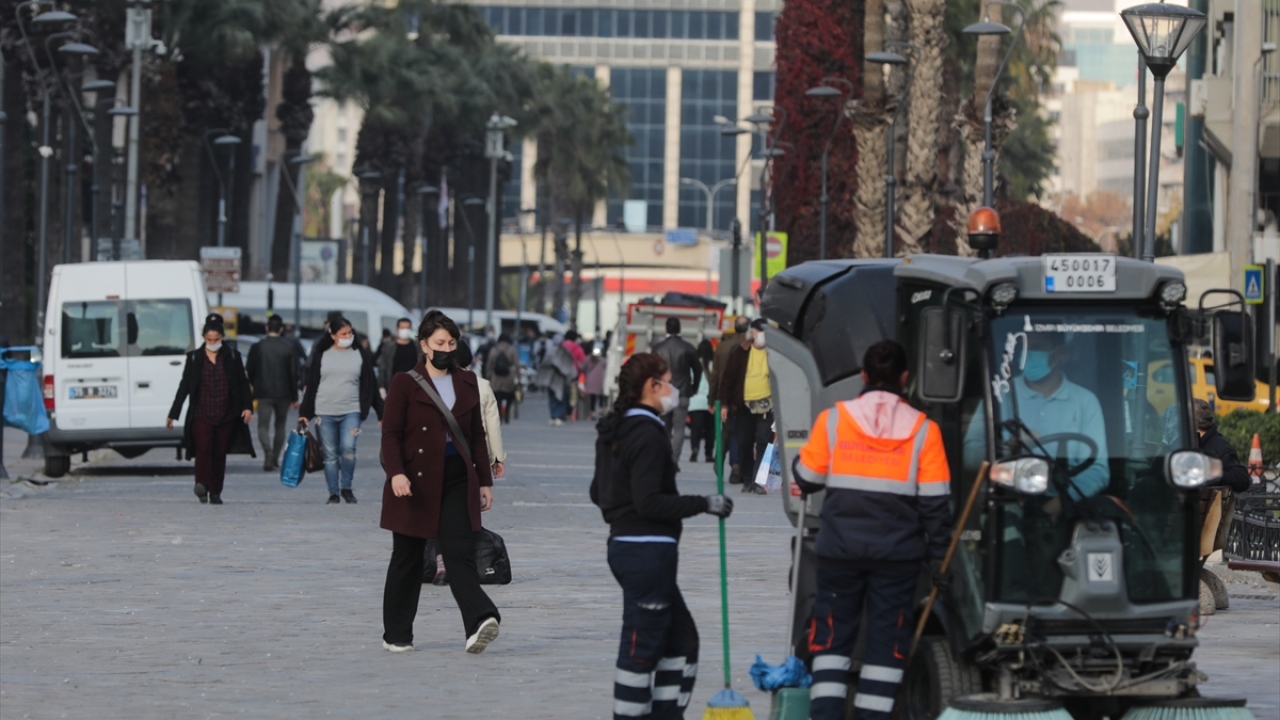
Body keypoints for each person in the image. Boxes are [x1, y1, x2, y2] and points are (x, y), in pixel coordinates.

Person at [791, 341, 953, 720]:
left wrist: (803, 462)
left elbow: (807, 478)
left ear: (864, 376)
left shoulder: (835, 419)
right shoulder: (924, 431)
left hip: (839, 553)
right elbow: (935, 505)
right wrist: (940, 556)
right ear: (905, 378)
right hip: (896, 558)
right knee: (886, 646)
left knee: (831, 639)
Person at [589, 353, 735, 719]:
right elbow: (650, 502)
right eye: (669, 382)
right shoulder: (648, 433)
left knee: (682, 642)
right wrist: (705, 502)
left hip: (633, 549)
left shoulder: (615, 428)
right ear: (652, 387)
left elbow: (598, 491)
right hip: (645, 552)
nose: (673, 389)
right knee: (641, 647)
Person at [380, 310, 501, 654]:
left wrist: (484, 481)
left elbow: (476, 436)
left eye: (451, 342)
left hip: (457, 478)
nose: (446, 348)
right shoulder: (405, 382)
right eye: (439, 343)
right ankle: (397, 634)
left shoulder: (467, 381)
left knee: (459, 553)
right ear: (424, 345)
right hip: (414, 480)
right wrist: (397, 473)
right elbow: (390, 434)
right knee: (408, 556)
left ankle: (480, 620)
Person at [166, 314, 256, 504]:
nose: (212, 343)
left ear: (222, 338)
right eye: (209, 340)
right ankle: (201, 484)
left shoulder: (232, 356)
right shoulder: (194, 357)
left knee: (219, 452)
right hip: (202, 411)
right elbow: (184, 386)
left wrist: (247, 408)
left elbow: (242, 383)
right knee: (203, 448)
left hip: (227, 412)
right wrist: (174, 414)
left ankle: (215, 491)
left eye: (216, 340)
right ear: (204, 338)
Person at [299, 317, 384, 505]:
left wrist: (381, 413)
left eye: (350, 333)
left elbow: (371, 384)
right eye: (343, 334)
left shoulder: (360, 354)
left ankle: (347, 488)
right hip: (325, 410)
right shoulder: (322, 354)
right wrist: (305, 413)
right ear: (333, 335)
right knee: (330, 454)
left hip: (351, 410)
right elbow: (312, 385)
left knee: (348, 449)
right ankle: (333, 493)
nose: (348, 337)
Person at [717, 318, 771, 495]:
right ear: (753, 333)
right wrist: (724, 404)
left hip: (767, 407)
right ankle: (747, 479)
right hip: (743, 406)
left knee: (764, 442)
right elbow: (728, 379)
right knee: (744, 443)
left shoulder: (774, 353)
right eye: (760, 331)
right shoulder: (740, 352)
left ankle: (758, 481)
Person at [246, 315, 298, 471]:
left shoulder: (258, 347)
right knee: (280, 426)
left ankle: (267, 452)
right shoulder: (287, 348)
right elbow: (293, 373)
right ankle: (274, 458)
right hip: (283, 392)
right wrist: (294, 396)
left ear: (267, 328)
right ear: (281, 329)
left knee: (263, 425)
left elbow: (250, 369)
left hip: (263, 392)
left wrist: (254, 386)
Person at [651, 317, 701, 467]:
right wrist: (694, 387)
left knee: (664, 426)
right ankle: (674, 459)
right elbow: (698, 370)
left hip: (663, 393)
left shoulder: (658, 348)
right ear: (680, 329)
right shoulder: (688, 347)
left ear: (666, 329)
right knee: (679, 428)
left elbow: (651, 370)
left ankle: (664, 458)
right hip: (683, 391)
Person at [709, 316, 750, 480]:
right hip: (745, 396)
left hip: (725, 396)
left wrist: (711, 399)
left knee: (726, 432)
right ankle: (736, 465)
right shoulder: (750, 346)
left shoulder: (722, 347)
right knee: (739, 434)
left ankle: (719, 460)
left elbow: (715, 375)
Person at [537, 333, 577, 426]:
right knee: (560, 398)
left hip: (551, 379)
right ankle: (557, 416)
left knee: (553, 398)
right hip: (561, 380)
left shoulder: (550, 351)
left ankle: (554, 416)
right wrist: (572, 376)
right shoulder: (566, 352)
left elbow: (543, 365)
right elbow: (570, 366)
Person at [378, 317, 424, 396]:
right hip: (394, 386)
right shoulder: (389, 347)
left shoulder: (417, 347)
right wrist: (381, 386)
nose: (405, 330)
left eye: (407, 328)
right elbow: (383, 367)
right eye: (403, 328)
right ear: (397, 329)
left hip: (413, 386)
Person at [686, 340, 715, 464]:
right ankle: (708, 454)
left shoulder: (693, 365)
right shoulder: (713, 365)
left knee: (695, 429)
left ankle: (694, 448)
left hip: (695, 402)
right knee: (710, 430)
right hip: (710, 402)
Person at [484, 333, 521, 424]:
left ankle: (499, 412)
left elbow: (489, 364)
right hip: (508, 377)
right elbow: (516, 364)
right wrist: (518, 377)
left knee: (497, 396)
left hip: (496, 378)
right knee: (509, 396)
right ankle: (507, 411)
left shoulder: (494, 349)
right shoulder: (512, 350)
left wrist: (488, 376)